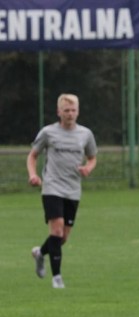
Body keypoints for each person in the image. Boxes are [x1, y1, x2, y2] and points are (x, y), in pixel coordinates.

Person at [27, 93, 98, 288]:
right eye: (66, 110)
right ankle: (57, 278)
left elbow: (92, 157)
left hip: (73, 190)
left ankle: (40, 253)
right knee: (56, 229)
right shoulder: (48, 133)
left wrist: (88, 169)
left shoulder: (85, 134)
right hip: (52, 187)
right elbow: (32, 156)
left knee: (62, 238)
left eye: (73, 110)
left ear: (78, 111)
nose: (70, 114)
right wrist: (33, 175)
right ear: (59, 112)